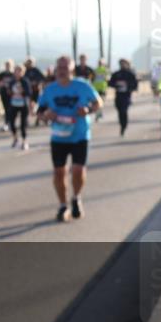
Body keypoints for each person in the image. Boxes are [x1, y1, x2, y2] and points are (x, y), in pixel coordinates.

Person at [37, 55, 101, 222]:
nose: (62, 71)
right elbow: (39, 112)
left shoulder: (82, 86)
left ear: (72, 70)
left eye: (65, 68)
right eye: (59, 68)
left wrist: (87, 109)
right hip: (59, 137)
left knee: (78, 170)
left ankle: (76, 198)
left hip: (80, 134)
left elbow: (98, 103)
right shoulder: (50, 90)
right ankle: (63, 205)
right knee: (59, 172)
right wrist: (45, 115)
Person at [109, 59, 139, 137]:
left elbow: (135, 86)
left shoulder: (131, 74)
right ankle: (122, 124)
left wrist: (128, 86)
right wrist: (117, 85)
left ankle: (124, 127)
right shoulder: (116, 73)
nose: (122, 65)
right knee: (119, 112)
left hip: (126, 97)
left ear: (127, 64)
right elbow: (110, 83)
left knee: (124, 111)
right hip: (118, 96)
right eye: (121, 64)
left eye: (124, 63)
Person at [8, 65, 32, 150]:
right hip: (14, 104)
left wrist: (23, 92)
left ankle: (24, 141)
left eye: (19, 71)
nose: (17, 73)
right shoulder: (12, 81)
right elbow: (9, 92)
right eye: (16, 71)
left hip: (23, 104)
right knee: (11, 123)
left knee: (23, 124)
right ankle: (15, 138)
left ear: (22, 72)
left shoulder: (25, 81)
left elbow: (29, 93)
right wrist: (10, 92)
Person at [24, 57, 45, 125]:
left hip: (36, 90)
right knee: (28, 105)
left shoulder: (36, 70)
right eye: (28, 62)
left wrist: (37, 83)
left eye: (31, 62)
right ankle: (26, 119)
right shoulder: (26, 71)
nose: (30, 64)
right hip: (28, 91)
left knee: (37, 105)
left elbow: (42, 78)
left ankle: (37, 119)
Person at [0, 60, 15, 132]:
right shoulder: (2, 74)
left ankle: (9, 122)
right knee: (6, 109)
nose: (8, 66)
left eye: (9, 65)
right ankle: (7, 123)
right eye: (6, 65)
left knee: (11, 109)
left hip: (12, 94)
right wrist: (0, 83)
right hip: (4, 94)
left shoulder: (13, 74)